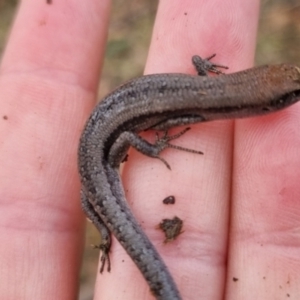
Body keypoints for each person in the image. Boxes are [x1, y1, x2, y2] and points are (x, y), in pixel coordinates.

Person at [1, 1, 299, 299]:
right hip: (107, 145)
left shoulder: (205, 97)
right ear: (263, 107)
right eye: (289, 97)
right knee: (105, 179)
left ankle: (114, 239)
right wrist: (155, 148)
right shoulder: (202, 110)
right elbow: (131, 135)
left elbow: (195, 63)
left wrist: (202, 69)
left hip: (101, 140)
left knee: (93, 196)